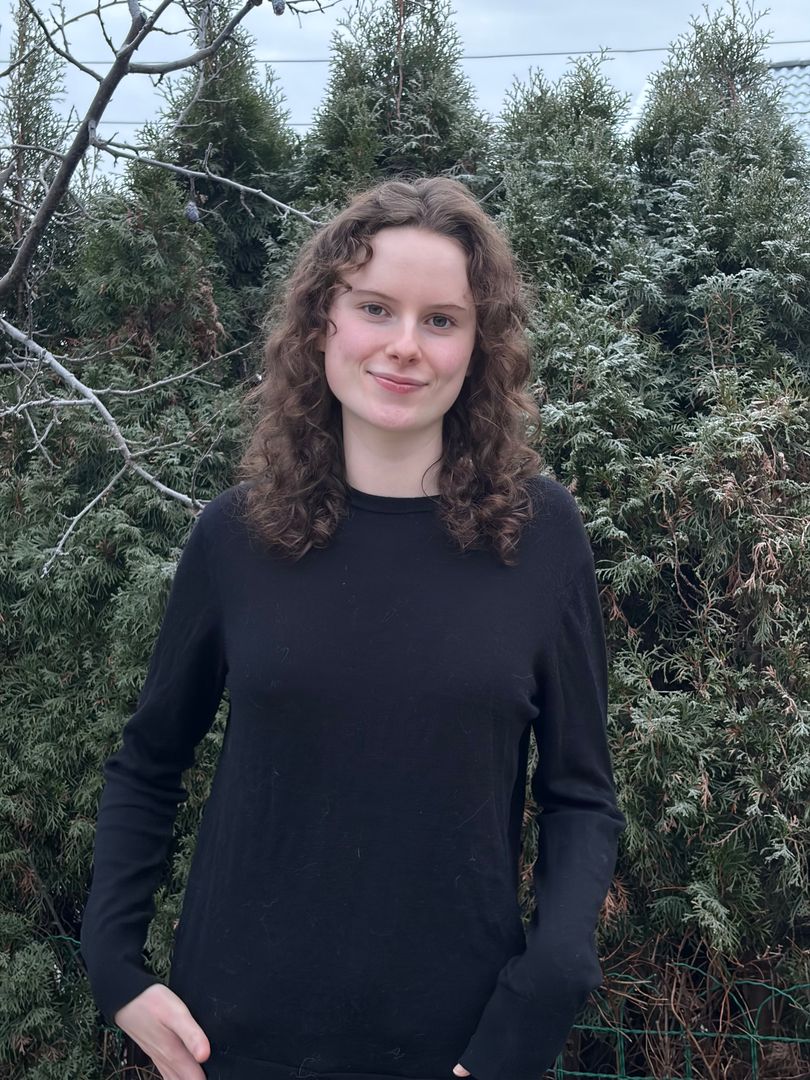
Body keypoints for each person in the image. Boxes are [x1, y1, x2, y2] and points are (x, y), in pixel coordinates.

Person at [80, 176, 626, 1080]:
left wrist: (546, 990)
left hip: (463, 1048)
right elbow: (147, 764)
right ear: (322, 323)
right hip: (233, 1042)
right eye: (376, 308)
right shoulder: (235, 537)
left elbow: (581, 796)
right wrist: (114, 968)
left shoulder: (539, 538)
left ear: (478, 345)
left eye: (441, 319)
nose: (405, 345)